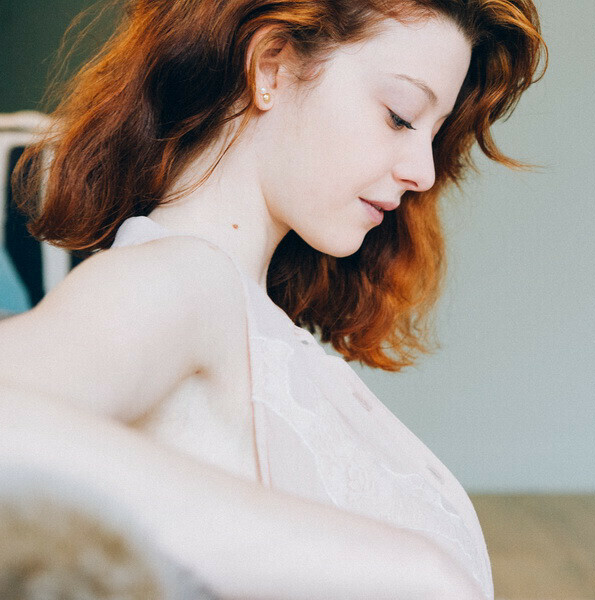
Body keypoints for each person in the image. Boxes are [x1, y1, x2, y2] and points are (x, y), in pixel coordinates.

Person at [0, 0, 546, 598]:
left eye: (434, 134)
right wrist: (415, 571)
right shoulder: (180, 277)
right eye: (400, 116)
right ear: (272, 67)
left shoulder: (254, 320)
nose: (424, 170)